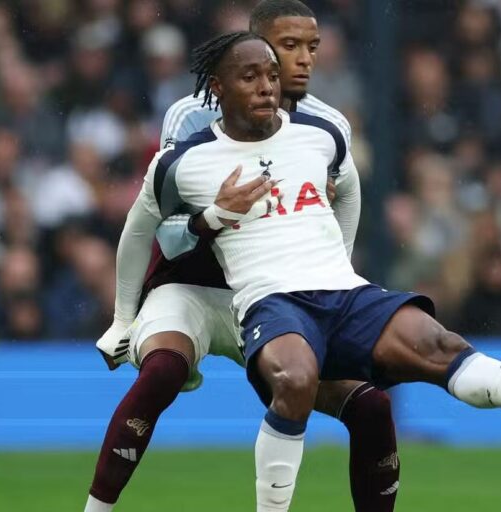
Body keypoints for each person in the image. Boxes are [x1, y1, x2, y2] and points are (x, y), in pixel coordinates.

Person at [139, 32, 501, 511]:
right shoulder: (186, 159)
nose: (266, 86)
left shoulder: (320, 135)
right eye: (251, 76)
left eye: (272, 75)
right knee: (295, 380)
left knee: (439, 344)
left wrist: (340, 258)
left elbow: (349, 195)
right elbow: (152, 233)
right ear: (218, 87)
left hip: (343, 291)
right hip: (272, 300)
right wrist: (207, 221)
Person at [86, 3, 399, 511]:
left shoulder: (327, 125)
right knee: (162, 371)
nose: (302, 60)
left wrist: (332, 275)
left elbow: (348, 196)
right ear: (250, 49)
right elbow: (165, 228)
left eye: (311, 47)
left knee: (372, 405)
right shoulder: (189, 116)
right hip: (192, 287)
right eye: (287, 47)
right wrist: (211, 218)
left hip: (278, 299)